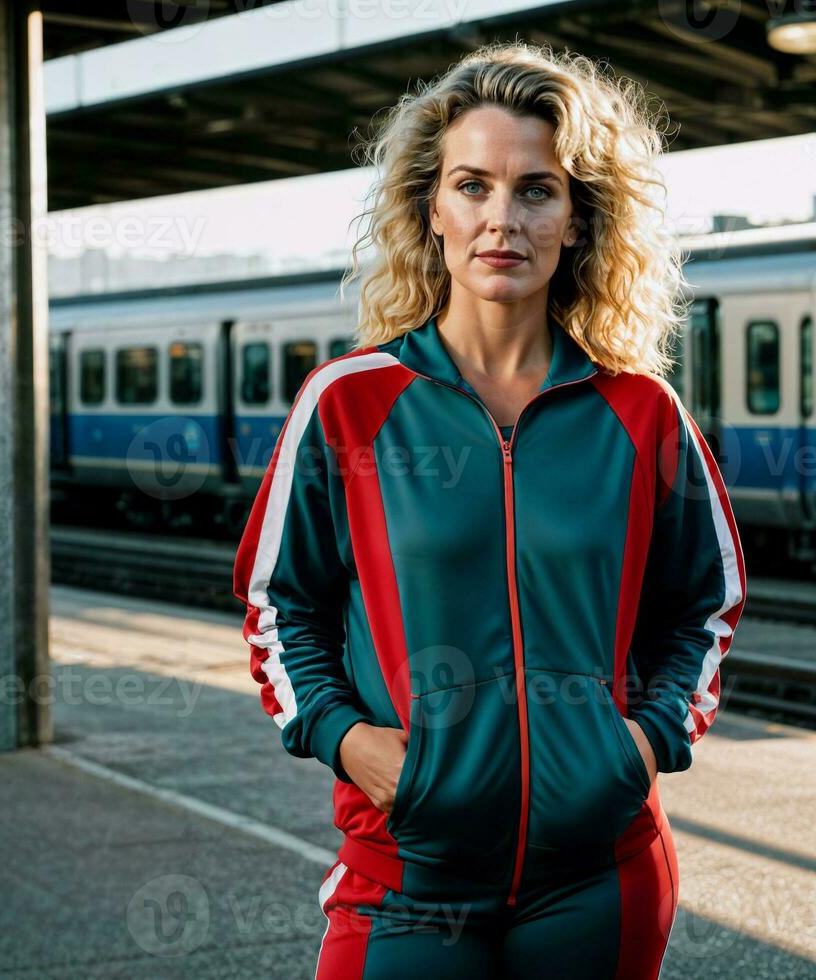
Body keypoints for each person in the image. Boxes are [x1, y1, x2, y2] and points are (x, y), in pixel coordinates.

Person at [233, 41, 746, 979]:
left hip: (600, 871)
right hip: (406, 870)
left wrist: (643, 742)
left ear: (580, 219)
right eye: (473, 185)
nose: (500, 220)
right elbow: (280, 606)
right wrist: (349, 742)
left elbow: (703, 607)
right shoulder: (349, 404)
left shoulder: (641, 414)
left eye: (537, 190)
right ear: (431, 208)